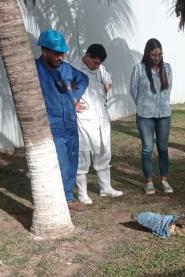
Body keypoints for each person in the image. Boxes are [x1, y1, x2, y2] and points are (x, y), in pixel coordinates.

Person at [34, 29, 89, 211]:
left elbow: (83, 79)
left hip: (71, 123)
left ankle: (68, 197)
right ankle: (59, 198)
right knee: (62, 163)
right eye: (56, 53)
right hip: (53, 125)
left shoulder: (65, 69)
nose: (60, 57)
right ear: (45, 51)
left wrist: (76, 97)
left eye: (62, 53)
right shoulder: (35, 70)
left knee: (73, 160)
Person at [72, 44, 123, 205]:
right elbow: (61, 88)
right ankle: (82, 193)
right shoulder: (73, 68)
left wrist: (106, 86)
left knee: (103, 153)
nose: (97, 66)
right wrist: (71, 102)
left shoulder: (100, 69)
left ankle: (105, 188)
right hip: (83, 120)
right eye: (95, 62)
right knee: (83, 156)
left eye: (99, 63)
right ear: (87, 56)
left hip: (102, 119)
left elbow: (108, 80)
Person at [130, 38, 174, 195]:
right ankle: (148, 182)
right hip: (145, 115)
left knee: (163, 148)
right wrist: (143, 104)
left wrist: (161, 103)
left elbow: (168, 90)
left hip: (164, 114)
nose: (157, 57)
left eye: (159, 54)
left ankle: (164, 180)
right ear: (147, 54)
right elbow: (133, 90)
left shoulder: (167, 68)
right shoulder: (139, 69)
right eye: (154, 54)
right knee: (147, 148)